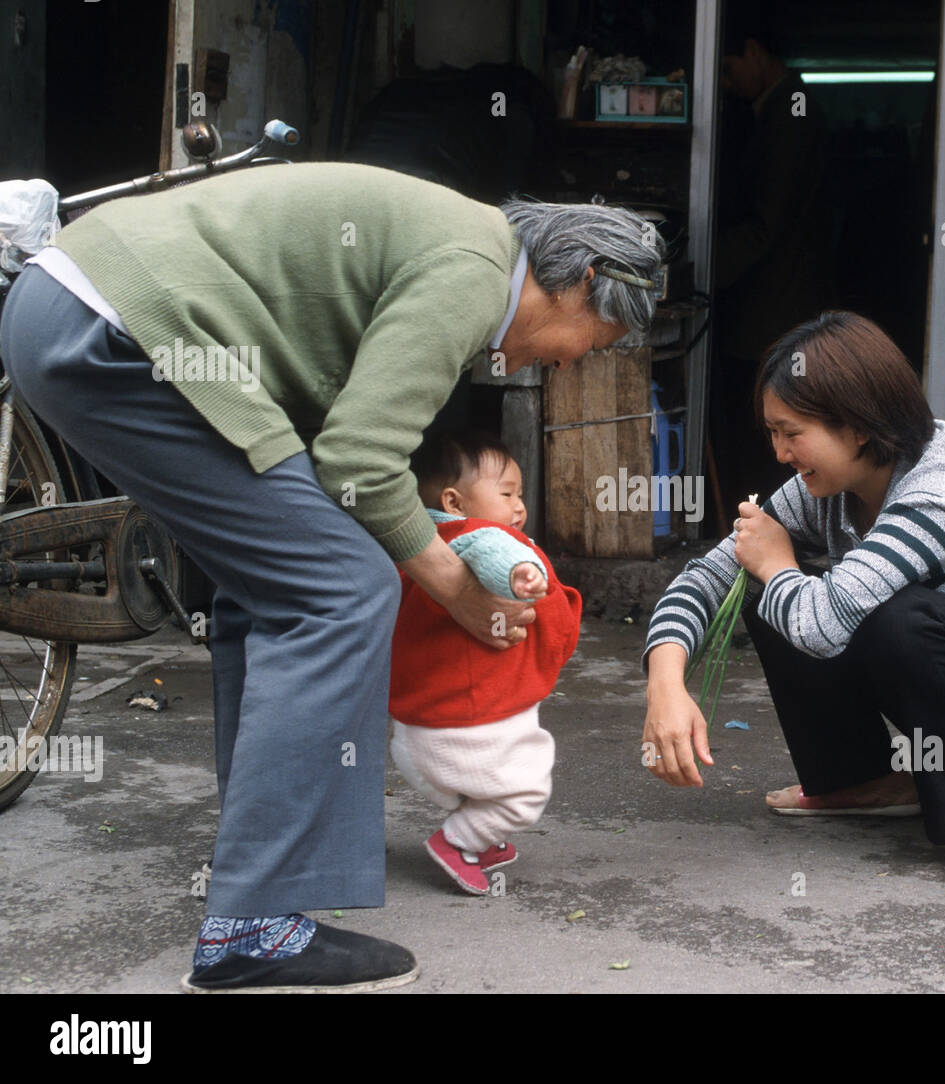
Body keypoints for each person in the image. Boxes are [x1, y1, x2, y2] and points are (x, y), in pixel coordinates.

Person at [0, 162, 662, 991]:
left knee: (273, 588)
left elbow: (335, 448)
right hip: (116, 326)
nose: (565, 367)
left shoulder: (464, 248)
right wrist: (457, 590)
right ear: (583, 283)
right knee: (343, 590)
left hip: (72, 310)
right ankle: (251, 926)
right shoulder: (474, 269)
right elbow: (360, 461)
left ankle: (258, 870)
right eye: (587, 348)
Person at [642, 311, 945, 887]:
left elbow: (822, 625)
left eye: (792, 432)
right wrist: (664, 684)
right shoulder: (825, 487)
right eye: (772, 432)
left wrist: (776, 566)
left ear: (858, 425)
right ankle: (860, 779)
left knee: (877, 609)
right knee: (771, 585)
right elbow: (710, 574)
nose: (779, 452)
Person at [387, 430, 580, 896]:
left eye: (520, 495)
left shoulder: (423, 547)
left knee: (503, 778)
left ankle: (481, 835)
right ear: (454, 502)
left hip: (422, 729)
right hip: (461, 726)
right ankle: (458, 843)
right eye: (507, 493)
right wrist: (520, 575)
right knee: (525, 793)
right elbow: (496, 557)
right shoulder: (478, 536)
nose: (519, 507)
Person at [711, 8, 837, 508]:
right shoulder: (777, 108)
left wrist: (700, 272)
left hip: (776, 302)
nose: (724, 83)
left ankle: (773, 521)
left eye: (727, 68)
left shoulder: (792, 110)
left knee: (774, 422)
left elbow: (768, 223)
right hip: (774, 297)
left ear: (755, 54)